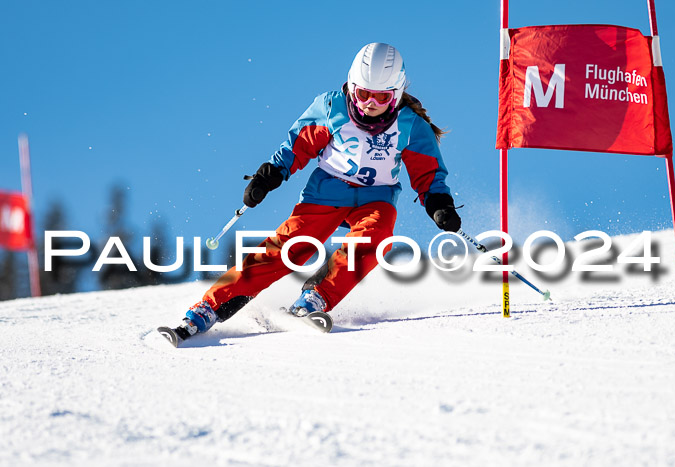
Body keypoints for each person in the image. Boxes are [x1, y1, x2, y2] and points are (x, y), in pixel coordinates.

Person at [172, 42, 461, 340]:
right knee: (291, 245)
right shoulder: (332, 108)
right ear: (351, 87)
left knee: (377, 237)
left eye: (381, 96)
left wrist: (440, 204)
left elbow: (429, 173)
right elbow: (297, 146)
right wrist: (268, 176)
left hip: (376, 197)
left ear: (397, 94)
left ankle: (315, 297)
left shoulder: (412, 126)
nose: (370, 103)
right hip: (327, 192)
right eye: (363, 94)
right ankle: (209, 307)